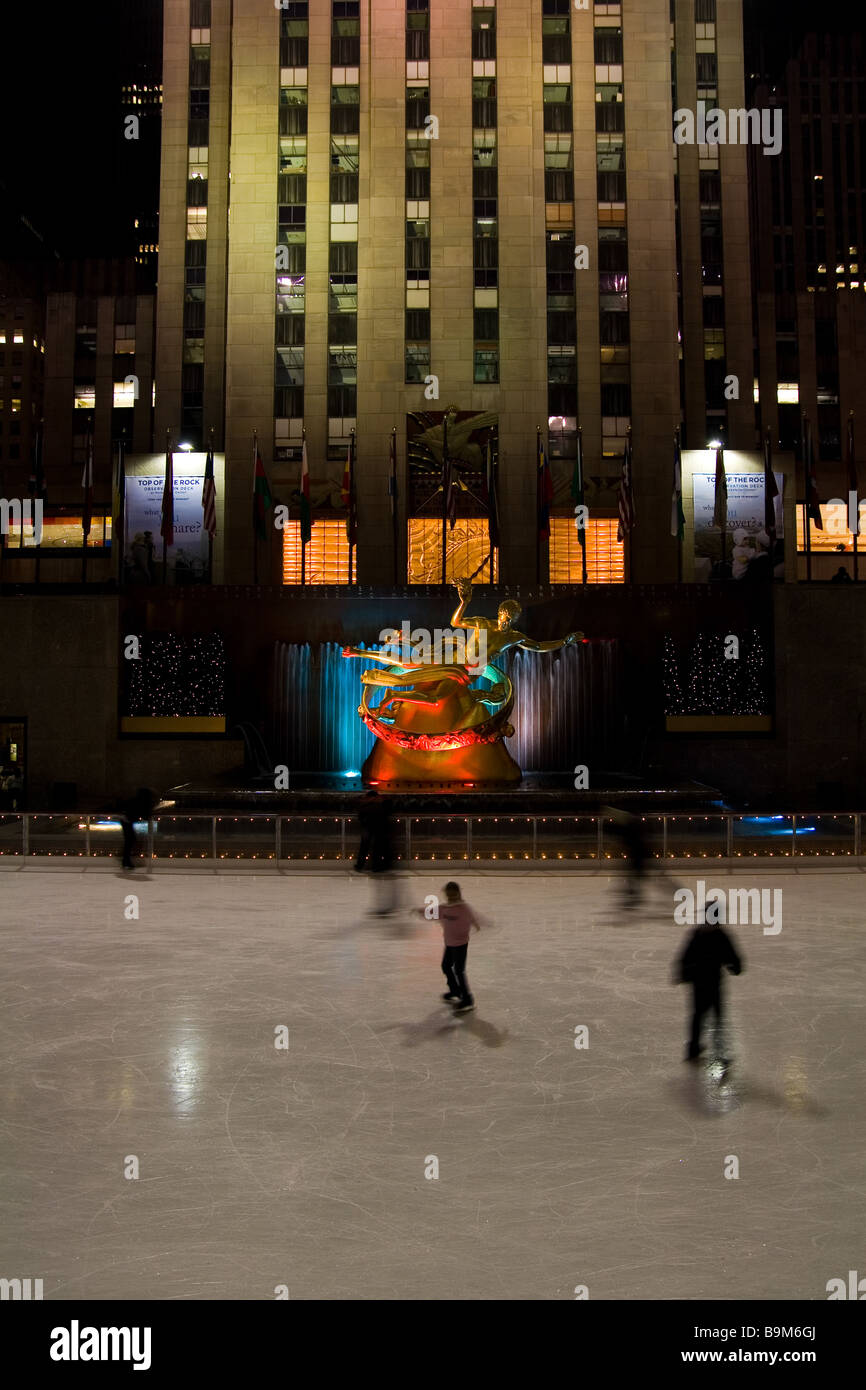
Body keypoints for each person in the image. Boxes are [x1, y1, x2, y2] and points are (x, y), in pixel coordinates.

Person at [674, 916, 743, 1063]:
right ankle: (706, 1050)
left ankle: (700, 1049)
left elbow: (684, 957)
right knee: (707, 1017)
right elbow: (732, 958)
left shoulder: (698, 934)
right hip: (709, 984)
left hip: (703, 984)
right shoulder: (719, 936)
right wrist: (735, 967)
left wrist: (682, 973)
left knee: (702, 1017)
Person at [424, 881, 484, 1014]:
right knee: (446, 966)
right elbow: (430, 912)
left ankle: (467, 999)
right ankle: (454, 990)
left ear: (458, 894)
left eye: (453, 894)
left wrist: (477, 924)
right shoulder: (444, 908)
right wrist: (418, 911)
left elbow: (474, 917)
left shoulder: (463, 908)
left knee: (459, 970)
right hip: (449, 943)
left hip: (461, 945)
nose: (451, 897)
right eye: (448, 894)